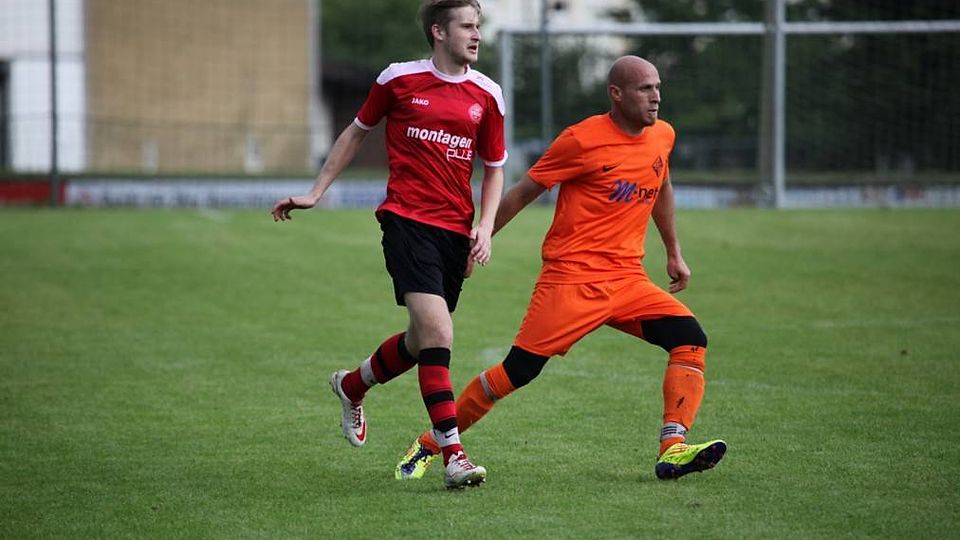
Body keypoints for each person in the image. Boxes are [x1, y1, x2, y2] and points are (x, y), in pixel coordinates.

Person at [394, 55, 726, 482]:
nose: (656, 96)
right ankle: (429, 443)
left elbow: (661, 186)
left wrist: (673, 251)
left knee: (690, 338)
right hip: (571, 281)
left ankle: (673, 448)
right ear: (616, 94)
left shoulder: (663, 135)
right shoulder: (581, 140)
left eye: (657, 87)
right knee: (516, 372)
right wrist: (479, 239)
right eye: (645, 88)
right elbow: (522, 192)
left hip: (628, 279)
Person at [271, 0, 506, 490]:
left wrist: (484, 227)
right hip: (406, 221)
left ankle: (351, 385)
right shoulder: (398, 79)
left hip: (454, 232)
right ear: (438, 31)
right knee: (438, 333)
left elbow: (494, 168)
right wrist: (316, 192)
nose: (476, 35)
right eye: (467, 26)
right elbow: (355, 134)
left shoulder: (488, 94)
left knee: (420, 342)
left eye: (478, 26)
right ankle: (454, 457)